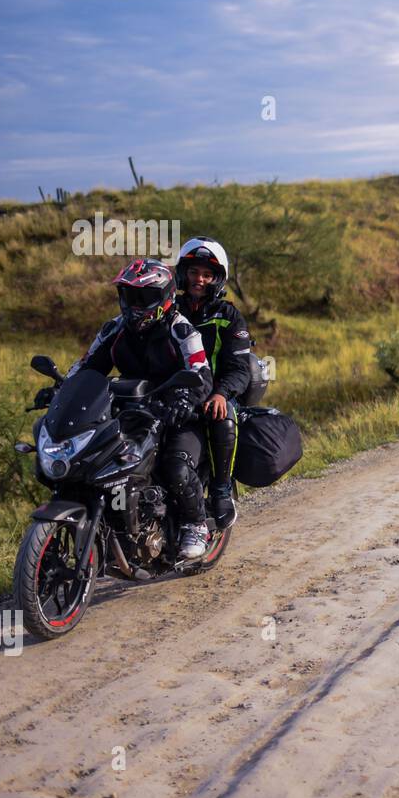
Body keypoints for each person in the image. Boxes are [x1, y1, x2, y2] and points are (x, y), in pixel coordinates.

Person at [66, 259, 215, 559]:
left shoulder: (181, 329)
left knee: (175, 466)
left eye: (143, 297)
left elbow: (201, 372)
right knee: (96, 465)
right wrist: (63, 390)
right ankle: (115, 527)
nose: (135, 305)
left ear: (165, 297)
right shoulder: (114, 329)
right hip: (129, 412)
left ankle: (196, 524)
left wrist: (185, 399)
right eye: (129, 295)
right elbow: (86, 367)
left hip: (177, 413)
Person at [172, 237, 253, 530]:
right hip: (174, 394)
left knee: (222, 413)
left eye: (207, 275)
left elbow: (240, 369)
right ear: (183, 273)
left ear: (217, 279)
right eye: (194, 272)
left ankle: (220, 490)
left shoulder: (228, 316)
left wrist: (221, 393)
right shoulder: (169, 309)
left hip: (214, 394)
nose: (199, 279)